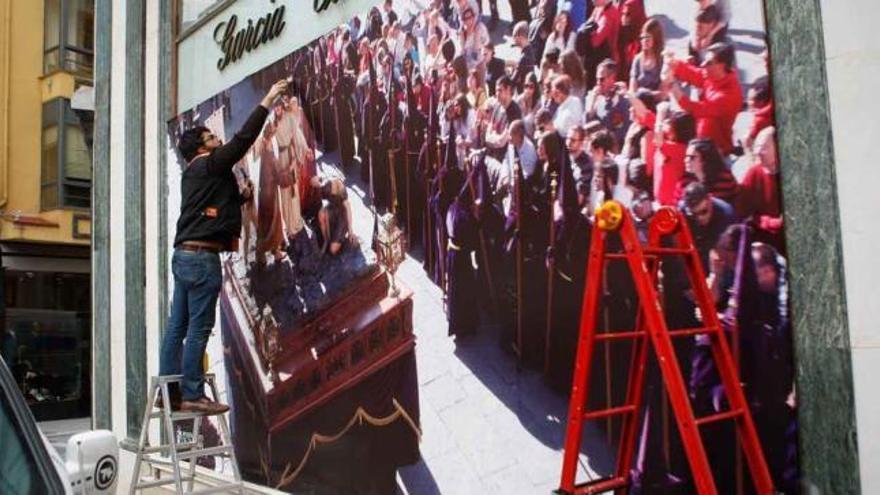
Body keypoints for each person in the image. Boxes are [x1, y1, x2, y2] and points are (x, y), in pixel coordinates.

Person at [161, 80, 287, 414]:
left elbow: (215, 201)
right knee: (200, 327)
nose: (218, 140)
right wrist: (270, 98)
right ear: (202, 148)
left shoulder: (193, 174)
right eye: (212, 138)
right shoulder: (211, 162)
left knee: (177, 326)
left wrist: (241, 196)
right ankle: (192, 393)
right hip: (202, 259)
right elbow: (244, 140)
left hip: (183, 255)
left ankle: (169, 392)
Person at [669, 42, 742, 156]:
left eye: (709, 63)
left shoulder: (728, 96)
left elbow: (693, 108)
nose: (703, 65)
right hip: (701, 139)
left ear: (721, 65)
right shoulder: (714, 75)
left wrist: (672, 85)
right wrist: (674, 64)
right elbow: (695, 74)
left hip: (715, 151)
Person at [737, 127, 784, 248]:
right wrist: (768, 222)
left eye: (764, 147)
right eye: (756, 147)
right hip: (762, 237)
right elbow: (742, 211)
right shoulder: (753, 174)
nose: (758, 152)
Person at [585, 59, 631, 153]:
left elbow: (620, 134)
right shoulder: (596, 98)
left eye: (602, 79)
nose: (598, 83)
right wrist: (592, 102)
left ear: (612, 78)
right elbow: (586, 126)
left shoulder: (622, 101)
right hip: (595, 147)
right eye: (597, 79)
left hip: (613, 150)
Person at [682, 137, 738, 206]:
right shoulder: (684, 181)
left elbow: (737, 202)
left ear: (705, 160)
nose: (686, 160)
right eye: (686, 156)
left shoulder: (725, 179)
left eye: (692, 157)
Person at [629, 17, 665, 95]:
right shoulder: (637, 59)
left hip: (657, 103)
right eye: (643, 37)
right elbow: (632, 88)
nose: (644, 41)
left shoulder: (662, 60)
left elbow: (662, 94)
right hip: (639, 101)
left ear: (656, 39)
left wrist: (646, 93)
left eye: (648, 38)